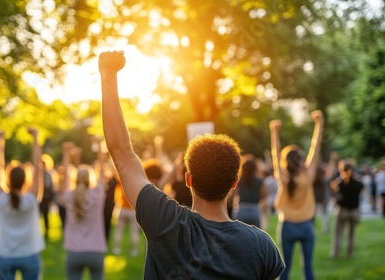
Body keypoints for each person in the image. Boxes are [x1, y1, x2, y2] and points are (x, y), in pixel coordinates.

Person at [99, 50, 284, 279]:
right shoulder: (262, 246)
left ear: (189, 180)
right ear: (233, 182)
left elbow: (122, 154)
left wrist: (108, 74)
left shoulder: (165, 222)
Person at [270, 110, 324, 280]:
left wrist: (274, 132)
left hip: (287, 226)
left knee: (284, 270)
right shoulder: (307, 177)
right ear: (301, 161)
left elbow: (275, 153)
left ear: (284, 162)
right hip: (307, 226)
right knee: (308, 270)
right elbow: (315, 149)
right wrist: (319, 123)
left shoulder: (283, 177)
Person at [0, 128, 44, 280]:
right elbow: (38, 166)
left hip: (5, 255)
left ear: (8, 179)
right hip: (30, 254)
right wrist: (36, 138)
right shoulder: (32, 198)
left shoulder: (1, 198)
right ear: (26, 180)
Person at [59, 139, 107, 280]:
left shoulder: (69, 194)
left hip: (74, 252)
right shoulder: (97, 193)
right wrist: (99, 146)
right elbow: (102, 170)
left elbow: (66, 174)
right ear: (90, 178)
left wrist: (66, 154)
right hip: (96, 251)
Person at [330, 160, 364, 258]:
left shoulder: (338, 184)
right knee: (351, 235)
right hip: (354, 211)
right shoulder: (358, 183)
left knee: (337, 234)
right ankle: (350, 254)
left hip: (342, 211)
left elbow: (335, 197)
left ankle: (335, 254)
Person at [231, 157, 267, 228]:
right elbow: (264, 195)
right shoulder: (259, 181)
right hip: (255, 209)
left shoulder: (239, 180)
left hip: (241, 209)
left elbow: (233, 195)